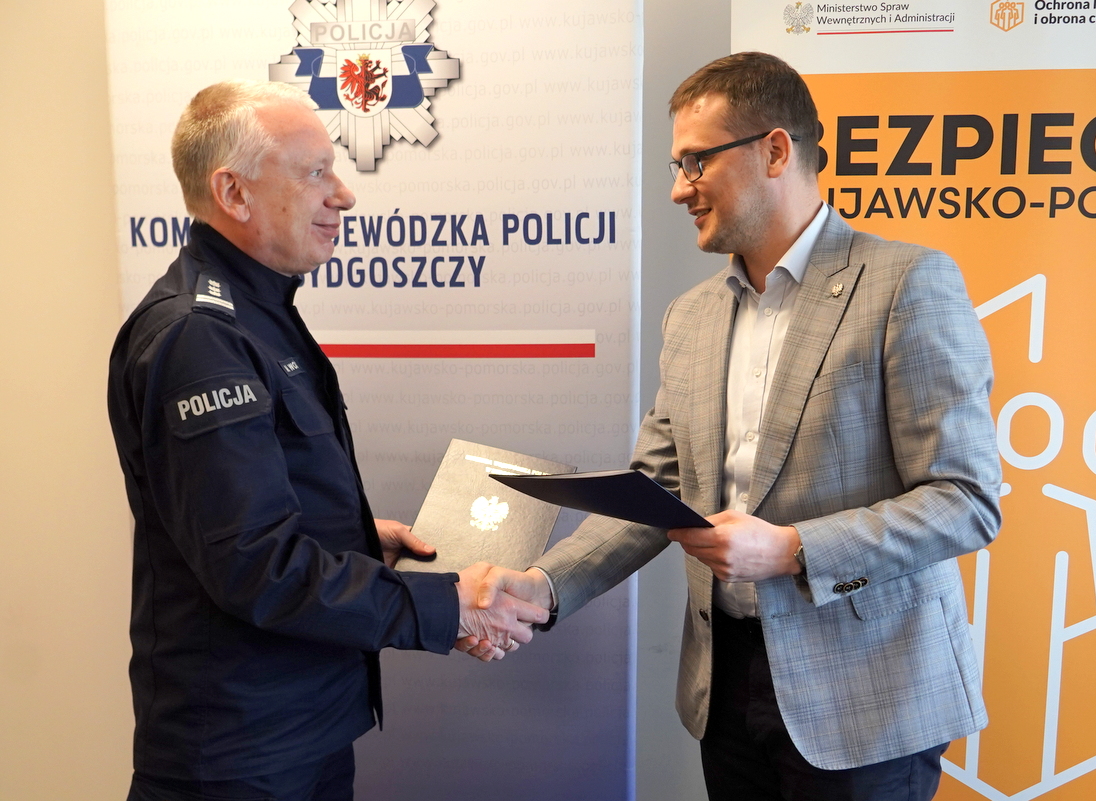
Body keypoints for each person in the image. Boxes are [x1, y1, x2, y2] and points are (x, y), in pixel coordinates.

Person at [502, 52, 1002, 800]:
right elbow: (654, 492)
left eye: (696, 161)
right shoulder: (692, 317)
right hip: (726, 686)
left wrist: (793, 549)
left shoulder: (908, 284)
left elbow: (966, 500)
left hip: (867, 698)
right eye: (677, 165)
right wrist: (542, 587)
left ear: (774, 151)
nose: (679, 188)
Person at [107, 80, 546, 801]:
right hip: (239, 754)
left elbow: (251, 511)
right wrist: (449, 605)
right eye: (315, 173)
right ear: (234, 193)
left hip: (306, 726)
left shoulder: (260, 314)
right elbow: (254, 564)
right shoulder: (199, 337)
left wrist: (358, 538)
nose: (344, 195)